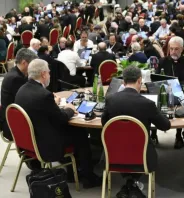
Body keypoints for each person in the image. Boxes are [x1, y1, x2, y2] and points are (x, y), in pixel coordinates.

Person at [14, 59, 101, 188]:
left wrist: (53, 104)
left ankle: (73, 173)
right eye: (49, 73)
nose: (49, 75)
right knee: (80, 133)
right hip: (46, 142)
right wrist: (70, 110)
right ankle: (88, 177)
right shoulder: (44, 95)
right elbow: (61, 118)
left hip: (29, 140)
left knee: (74, 132)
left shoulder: (22, 90)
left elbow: (43, 110)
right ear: (43, 74)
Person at [101, 65, 171, 197]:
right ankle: (132, 185)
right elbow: (165, 126)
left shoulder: (110, 100)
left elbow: (105, 124)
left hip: (114, 156)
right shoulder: (147, 104)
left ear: (123, 82)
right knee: (143, 146)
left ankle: (129, 184)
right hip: (142, 157)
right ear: (140, 80)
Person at [0, 49, 39, 170]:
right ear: (24, 62)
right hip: (13, 125)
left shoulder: (14, 74)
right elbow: (27, 102)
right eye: (32, 64)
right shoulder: (16, 79)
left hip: (10, 119)